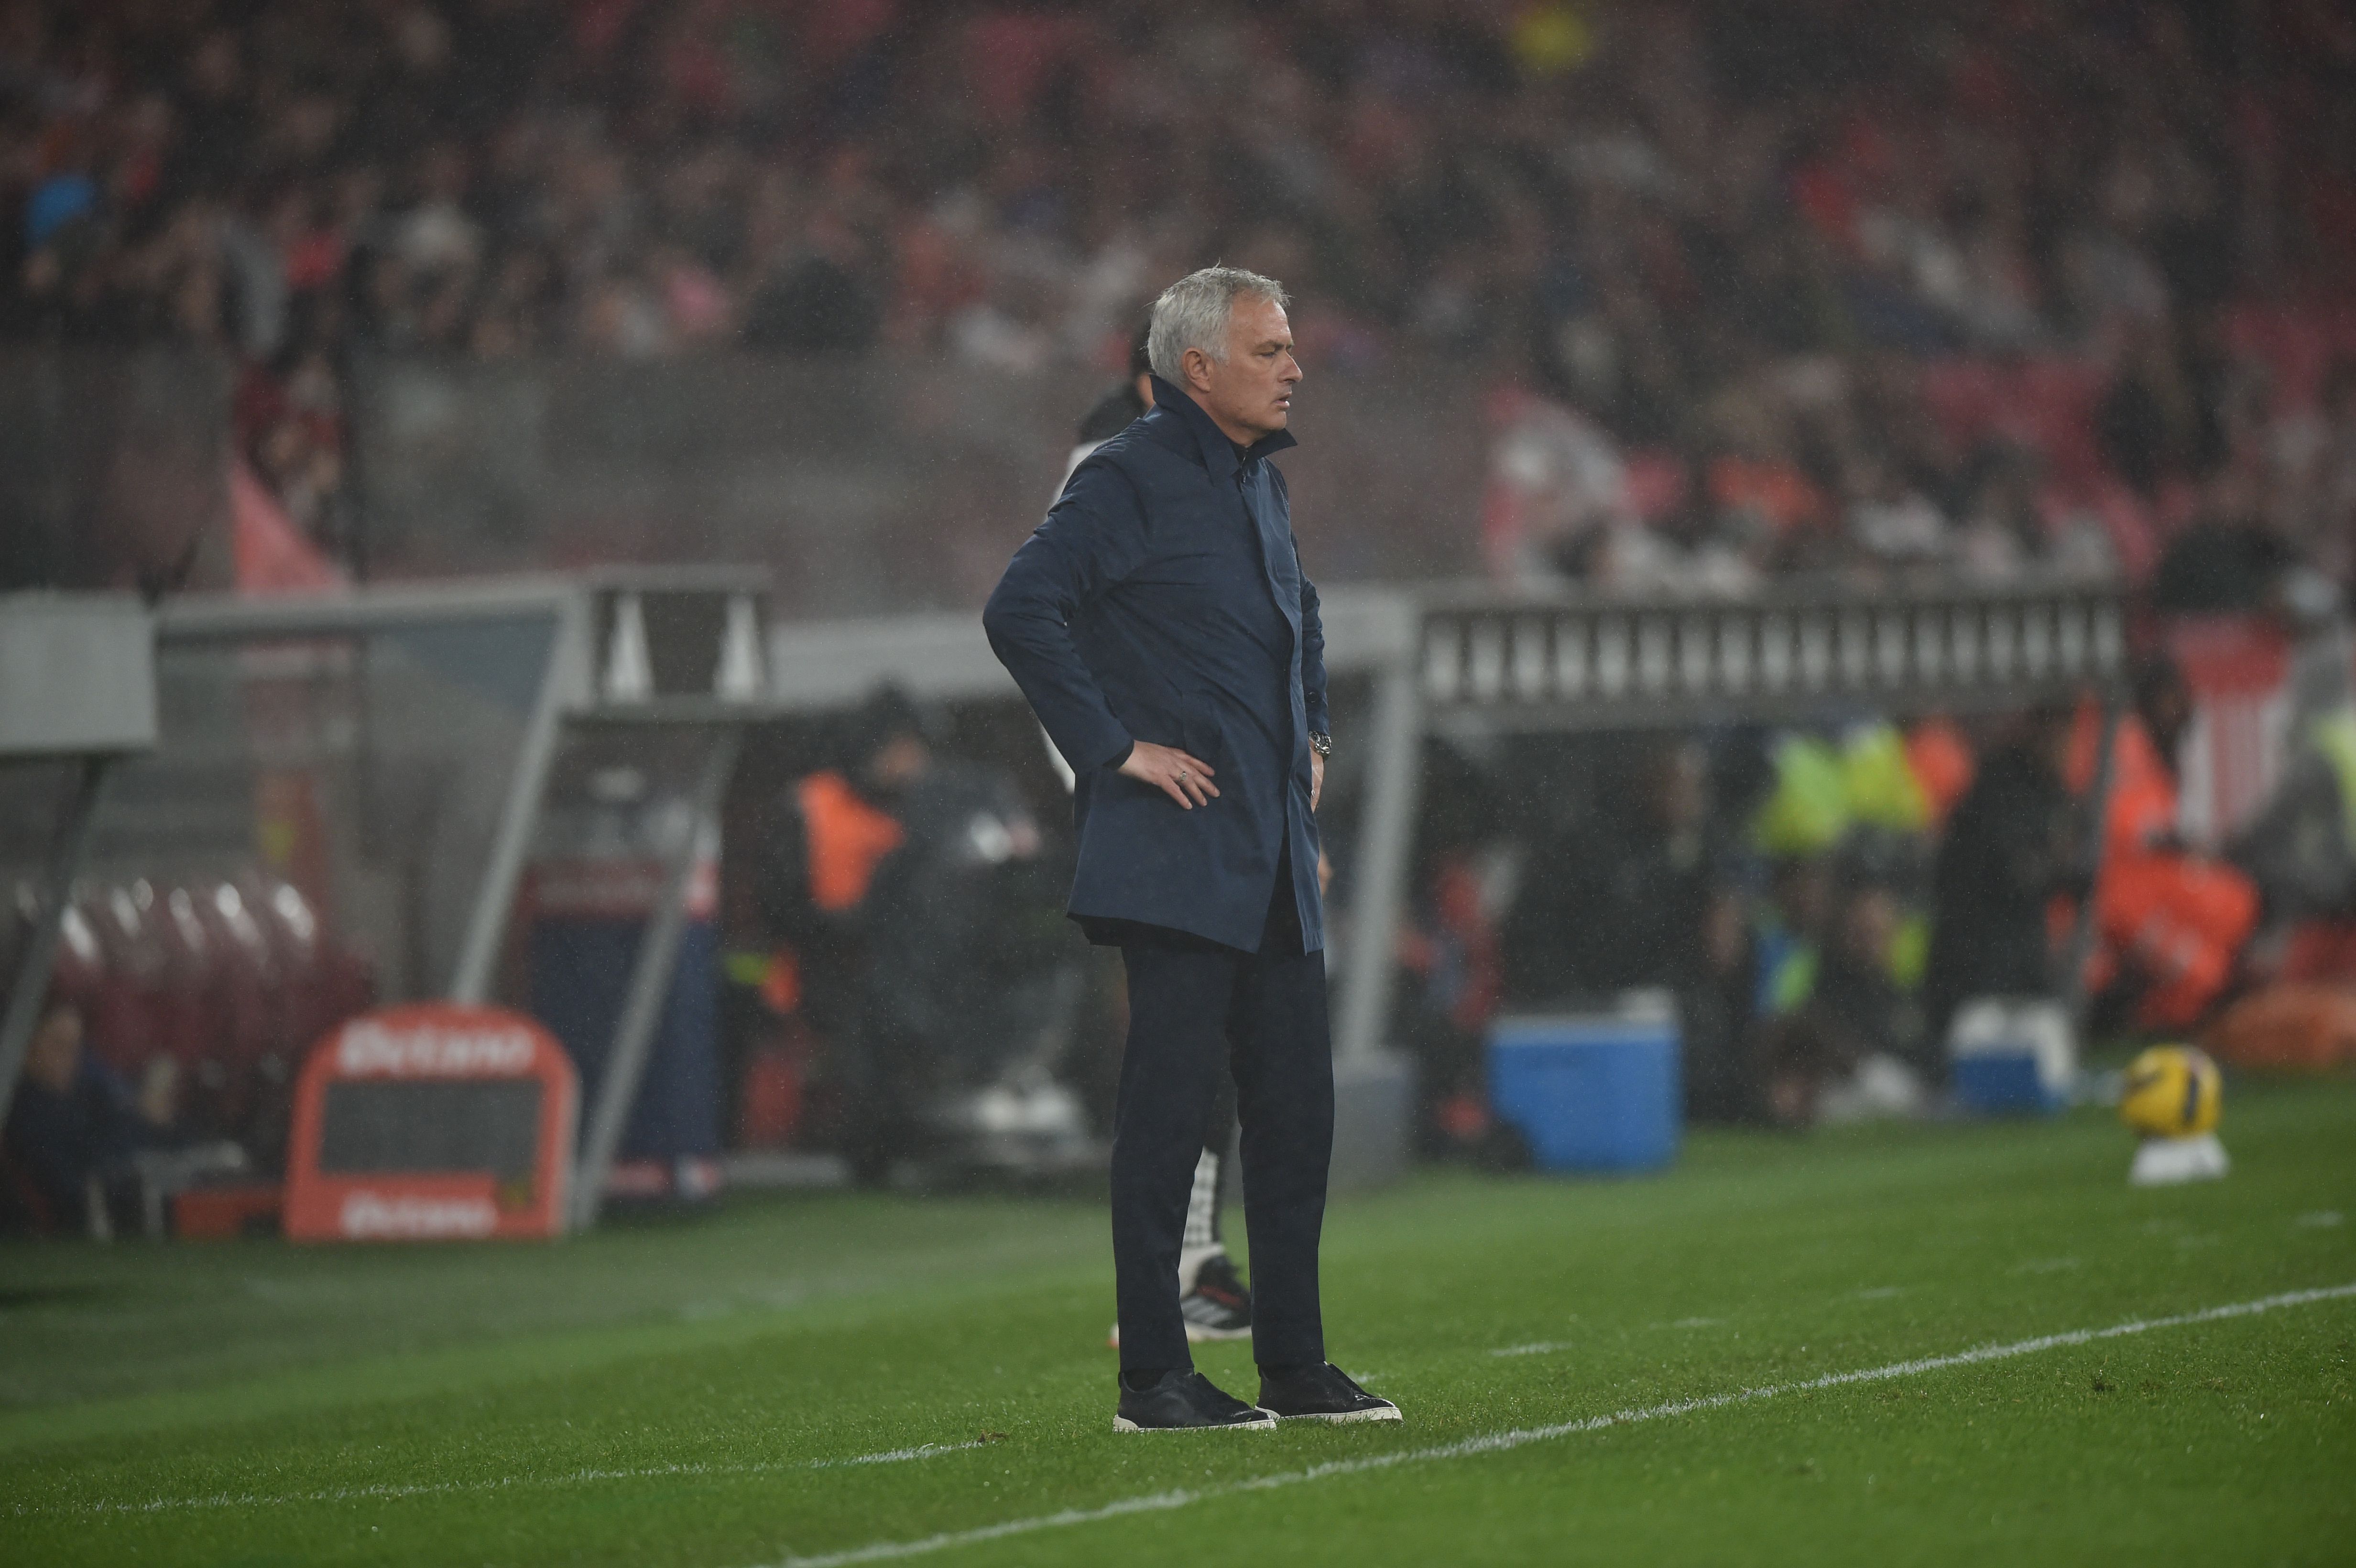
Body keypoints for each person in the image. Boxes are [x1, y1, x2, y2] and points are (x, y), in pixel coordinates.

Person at [984, 266, 1396, 1431]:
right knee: (1167, 1121)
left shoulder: (1256, 482)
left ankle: (1295, 1366)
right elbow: (1020, 607)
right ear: (1196, 368)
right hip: (1172, 849)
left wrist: (1312, 730)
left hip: (1263, 846)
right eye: (1269, 349)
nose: (1293, 366)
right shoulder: (1126, 475)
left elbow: (1301, 614)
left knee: (1294, 1113)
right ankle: (1152, 1379)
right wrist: (1111, 749)